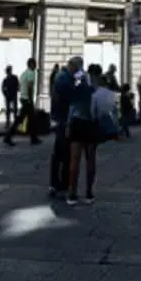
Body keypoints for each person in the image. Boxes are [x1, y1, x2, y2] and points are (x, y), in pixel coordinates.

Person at [66, 60, 98, 206]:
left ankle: (72, 193)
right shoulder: (96, 89)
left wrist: (68, 124)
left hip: (77, 122)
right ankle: (89, 193)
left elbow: (71, 106)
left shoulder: (78, 84)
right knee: (90, 159)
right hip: (90, 124)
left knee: (74, 159)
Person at [49, 57, 76, 199]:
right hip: (65, 121)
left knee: (58, 154)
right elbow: (70, 100)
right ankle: (63, 183)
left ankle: (55, 183)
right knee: (65, 154)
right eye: (77, 68)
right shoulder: (65, 80)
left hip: (60, 119)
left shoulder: (61, 77)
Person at [5, 58, 39, 146]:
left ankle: (33, 138)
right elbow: (29, 87)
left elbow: (20, 86)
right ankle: (8, 136)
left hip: (23, 98)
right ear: (31, 65)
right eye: (34, 64)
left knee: (31, 119)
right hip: (27, 99)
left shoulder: (24, 73)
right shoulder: (31, 73)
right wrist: (31, 100)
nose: (36, 66)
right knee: (21, 119)